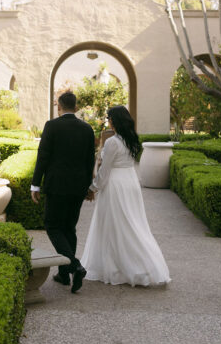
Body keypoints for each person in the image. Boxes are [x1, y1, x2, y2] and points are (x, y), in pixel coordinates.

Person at [82, 105, 170, 287]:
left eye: (109, 118)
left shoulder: (113, 142)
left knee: (115, 226)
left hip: (115, 185)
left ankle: (117, 267)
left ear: (114, 120)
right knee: (131, 223)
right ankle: (128, 265)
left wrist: (92, 188)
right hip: (130, 182)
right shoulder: (131, 139)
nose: (108, 121)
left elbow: (105, 171)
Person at [30, 90, 96, 293]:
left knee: (52, 225)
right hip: (78, 186)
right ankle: (64, 274)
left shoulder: (52, 126)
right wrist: (88, 187)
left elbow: (43, 156)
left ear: (59, 106)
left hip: (56, 185)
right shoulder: (87, 129)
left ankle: (74, 266)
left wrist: (35, 184)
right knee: (69, 228)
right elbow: (89, 161)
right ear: (76, 107)